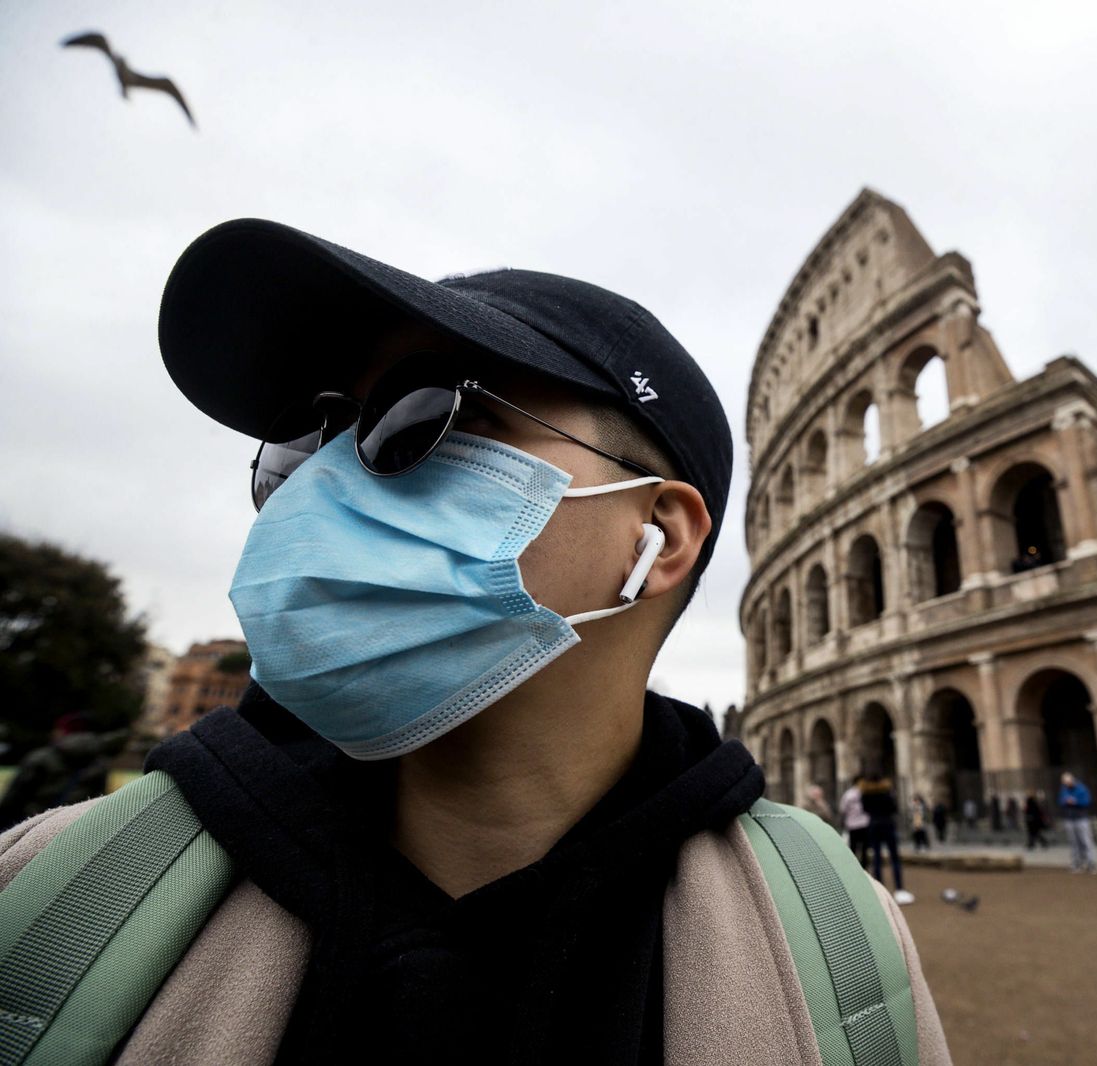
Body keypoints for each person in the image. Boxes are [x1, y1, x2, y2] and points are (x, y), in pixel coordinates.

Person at [0, 221, 949, 1063]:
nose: (326, 484)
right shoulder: (53, 895)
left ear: (656, 535)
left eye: (425, 414)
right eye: (306, 441)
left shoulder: (837, 945)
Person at [0, 714, 128, 832]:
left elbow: (13, 800)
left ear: (64, 731)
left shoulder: (41, 757)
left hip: (30, 827)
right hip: (72, 831)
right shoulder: (100, 765)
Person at [859, 766, 914, 904]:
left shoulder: (865, 793)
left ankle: (880, 890)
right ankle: (899, 889)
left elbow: (864, 809)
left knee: (876, 858)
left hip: (873, 824)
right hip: (887, 824)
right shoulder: (886, 791)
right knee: (894, 857)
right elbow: (893, 808)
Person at [1057, 772, 1097, 872]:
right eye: (1064, 783)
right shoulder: (1064, 790)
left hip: (1081, 818)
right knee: (1073, 842)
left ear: (1072, 780)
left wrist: (1075, 801)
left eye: (1067, 782)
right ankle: (1077, 863)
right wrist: (1066, 801)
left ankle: (1091, 863)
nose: (1066, 784)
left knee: (1086, 841)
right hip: (1069, 819)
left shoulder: (1081, 789)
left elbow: (1086, 801)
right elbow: (1061, 801)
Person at [839, 774, 871, 867]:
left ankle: (854, 867)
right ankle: (863, 868)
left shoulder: (848, 794)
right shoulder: (864, 793)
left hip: (853, 824)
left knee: (855, 848)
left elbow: (842, 809)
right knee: (863, 849)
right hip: (862, 824)